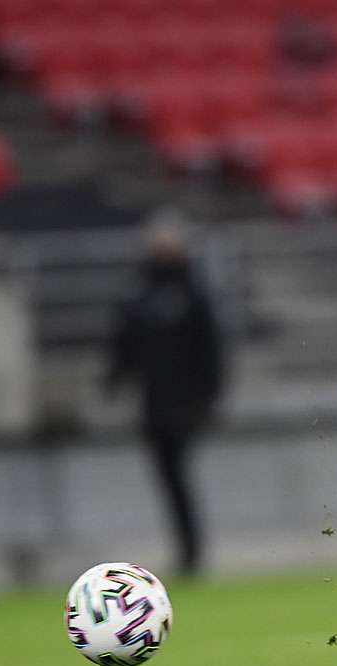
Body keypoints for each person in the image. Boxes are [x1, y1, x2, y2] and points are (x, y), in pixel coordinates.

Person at [106, 215, 225, 577]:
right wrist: (111, 383)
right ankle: (187, 550)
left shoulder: (191, 295)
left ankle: (190, 551)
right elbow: (124, 348)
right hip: (154, 405)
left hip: (183, 405)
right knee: (170, 480)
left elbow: (211, 352)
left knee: (176, 478)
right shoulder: (138, 296)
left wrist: (207, 399)